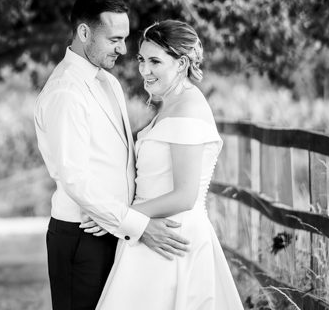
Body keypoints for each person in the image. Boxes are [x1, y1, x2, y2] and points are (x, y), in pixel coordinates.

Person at [34, 0, 191, 310]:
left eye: (124, 38)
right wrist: (138, 225)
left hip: (112, 229)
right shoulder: (66, 91)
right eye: (114, 39)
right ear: (83, 32)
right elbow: (75, 179)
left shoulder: (109, 82)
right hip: (82, 236)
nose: (123, 48)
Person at [87, 20, 244, 310]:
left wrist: (115, 216)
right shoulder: (171, 103)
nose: (144, 70)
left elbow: (185, 195)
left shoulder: (188, 108)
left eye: (155, 61)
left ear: (182, 63)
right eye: (142, 60)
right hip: (150, 231)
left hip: (172, 238)